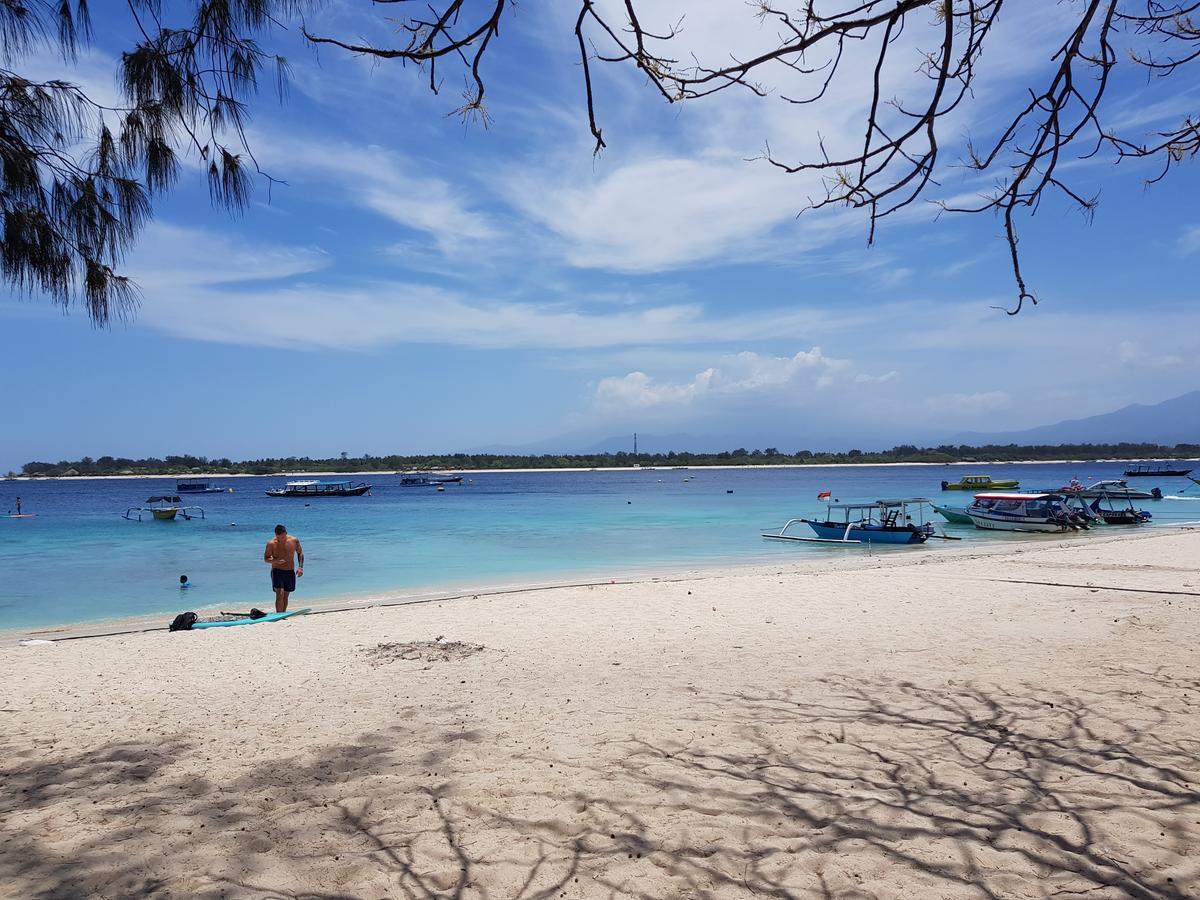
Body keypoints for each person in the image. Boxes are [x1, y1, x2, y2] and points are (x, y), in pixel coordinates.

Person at [263, 524, 303, 612]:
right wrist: (275, 561)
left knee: (285, 595)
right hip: (277, 571)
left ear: (286, 533)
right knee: (279, 594)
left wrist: (300, 567)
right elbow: (266, 559)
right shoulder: (271, 544)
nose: (280, 539)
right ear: (275, 535)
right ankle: (278, 615)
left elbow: (300, 553)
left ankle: (283, 614)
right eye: (278, 537)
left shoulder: (294, 540)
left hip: (289, 571)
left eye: (282, 537)